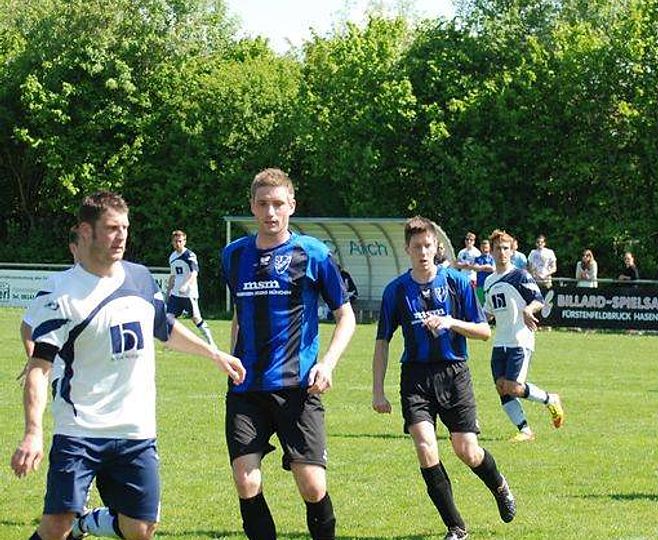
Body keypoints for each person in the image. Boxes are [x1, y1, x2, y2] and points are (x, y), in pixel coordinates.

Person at [11, 191, 245, 540]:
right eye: (111, 228)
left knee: (141, 528)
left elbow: (164, 328)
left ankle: (85, 524)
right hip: (80, 430)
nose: (121, 236)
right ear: (86, 231)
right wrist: (33, 432)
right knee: (56, 526)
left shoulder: (140, 278)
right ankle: (73, 524)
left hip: (136, 430)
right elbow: (39, 368)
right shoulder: (61, 294)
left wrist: (214, 353)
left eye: (125, 227)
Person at [222, 168, 357, 540]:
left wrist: (327, 364)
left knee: (312, 485)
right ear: (252, 206)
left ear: (292, 206)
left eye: (278, 204)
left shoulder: (313, 253)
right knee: (246, 480)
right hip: (246, 388)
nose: (271, 212)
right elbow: (240, 314)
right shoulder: (234, 255)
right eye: (263, 204)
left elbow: (345, 316)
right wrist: (231, 358)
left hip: (298, 387)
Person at [372, 216, 515, 540]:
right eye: (416, 247)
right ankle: (456, 527)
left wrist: (451, 322)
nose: (423, 252)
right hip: (415, 378)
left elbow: (484, 331)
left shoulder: (457, 283)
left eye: (427, 245)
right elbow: (382, 342)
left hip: (454, 375)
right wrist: (377, 390)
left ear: (436, 246)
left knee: (467, 450)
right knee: (425, 447)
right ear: (407, 249)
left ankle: (499, 485)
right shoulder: (396, 291)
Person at [483, 229, 564, 442]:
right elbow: (489, 311)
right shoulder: (489, 281)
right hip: (500, 342)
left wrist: (528, 310)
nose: (502, 252)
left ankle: (550, 399)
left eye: (505, 248)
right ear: (491, 251)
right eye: (498, 248)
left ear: (512, 251)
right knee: (502, 388)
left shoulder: (520, 275)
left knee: (514, 387)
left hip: (520, 340)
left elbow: (538, 300)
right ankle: (525, 431)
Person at [18, 227, 80, 382]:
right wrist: (34, 360)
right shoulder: (56, 284)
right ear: (73, 248)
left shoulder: (109, 283)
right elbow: (27, 324)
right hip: (64, 375)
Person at [166, 229, 216, 347]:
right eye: (175, 241)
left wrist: (186, 285)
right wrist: (168, 291)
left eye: (180, 241)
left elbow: (194, 273)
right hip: (176, 294)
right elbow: (173, 275)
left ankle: (211, 342)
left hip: (189, 294)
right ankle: (171, 343)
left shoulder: (190, 255)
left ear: (185, 241)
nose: (178, 244)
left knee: (196, 318)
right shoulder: (172, 257)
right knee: (168, 317)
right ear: (172, 242)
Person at [474, 238, 495, 305]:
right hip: (480, 285)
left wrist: (481, 267)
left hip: (490, 285)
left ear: (489, 248)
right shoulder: (477, 258)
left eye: (486, 247)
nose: (484, 249)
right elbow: (476, 268)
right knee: (481, 305)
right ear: (480, 248)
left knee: (491, 304)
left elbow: (493, 269)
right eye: (483, 247)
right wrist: (486, 266)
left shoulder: (493, 258)